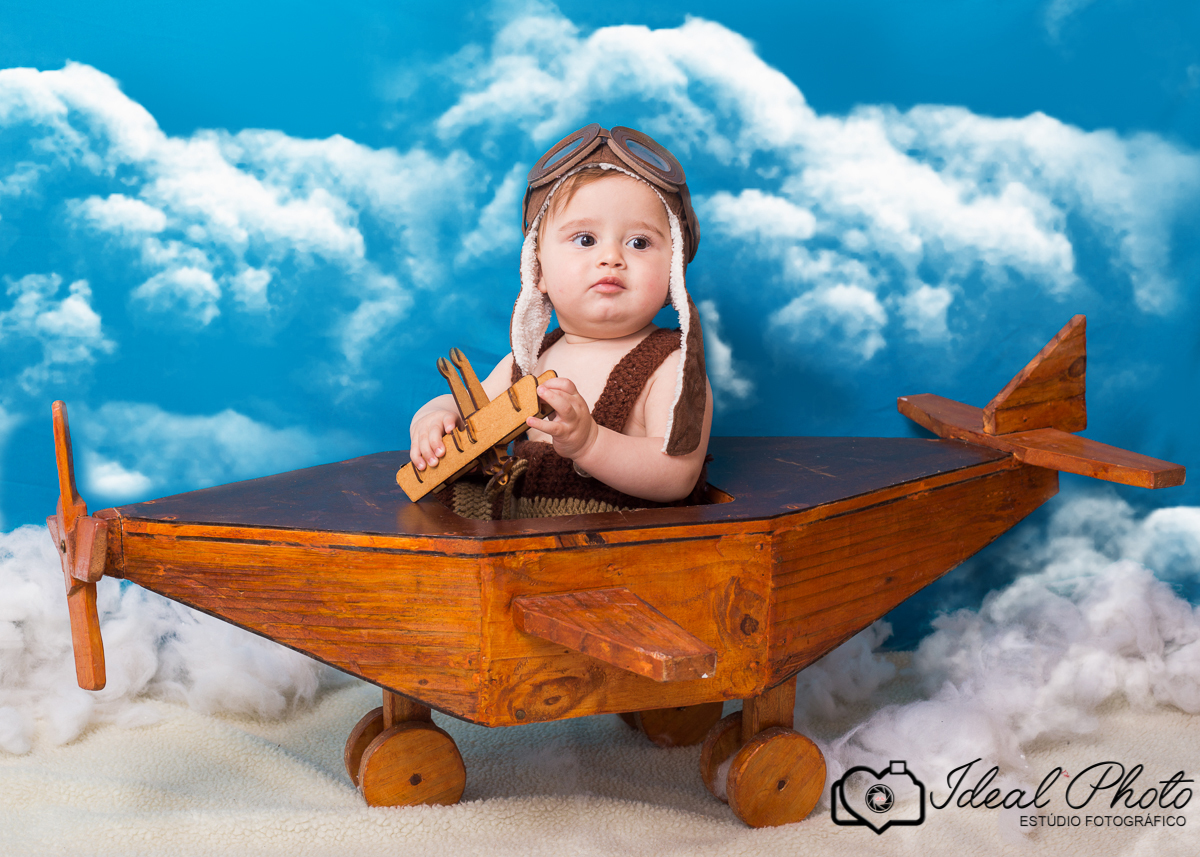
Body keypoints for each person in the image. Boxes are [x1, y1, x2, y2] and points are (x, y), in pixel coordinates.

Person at [409, 124, 712, 515]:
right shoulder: (530, 363)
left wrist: (590, 444)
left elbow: (677, 476)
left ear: (673, 272)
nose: (611, 258)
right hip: (523, 540)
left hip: (618, 542)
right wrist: (433, 418)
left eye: (639, 243)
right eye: (585, 239)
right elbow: (469, 406)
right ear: (538, 272)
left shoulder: (671, 366)